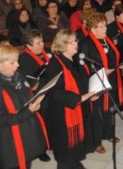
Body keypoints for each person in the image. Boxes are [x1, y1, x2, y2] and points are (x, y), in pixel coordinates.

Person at [0, 42, 48, 169]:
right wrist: (29, 111)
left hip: (25, 129)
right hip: (8, 139)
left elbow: (22, 94)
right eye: (12, 62)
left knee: (26, 162)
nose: (18, 65)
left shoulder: (16, 74)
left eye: (16, 60)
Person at [43, 29, 97, 169]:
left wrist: (91, 93)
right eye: (71, 42)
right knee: (66, 150)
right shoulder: (55, 66)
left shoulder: (75, 59)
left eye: (76, 41)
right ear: (62, 45)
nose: (76, 44)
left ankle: (75, 163)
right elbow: (56, 93)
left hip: (79, 109)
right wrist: (80, 98)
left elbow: (82, 81)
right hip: (63, 116)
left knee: (76, 146)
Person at [78, 12, 123, 153]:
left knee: (109, 108)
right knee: (97, 112)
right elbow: (84, 69)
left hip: (111, 78)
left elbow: (112, 56)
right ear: (92, 29)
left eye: (105, 25)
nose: (105, 29)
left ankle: (108, 133)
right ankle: (96, 141)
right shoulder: (86, 44)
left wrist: (118, 65)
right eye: (100, 27)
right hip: (96, 83)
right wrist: (103, 72)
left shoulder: (106, 39)